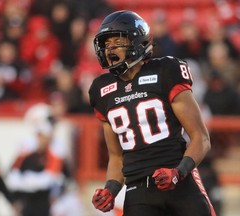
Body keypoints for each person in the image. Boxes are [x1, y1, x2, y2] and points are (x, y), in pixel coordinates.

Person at [89, 10, 216, 216]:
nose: (109, 48)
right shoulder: (101, 89)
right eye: (106, 43)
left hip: (179, 183)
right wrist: (110, 190)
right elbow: (116, 156)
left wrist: (179, 172)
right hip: (138, 191)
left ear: (137, 42)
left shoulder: (166, 70)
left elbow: (201, 138)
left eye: (117, 41)